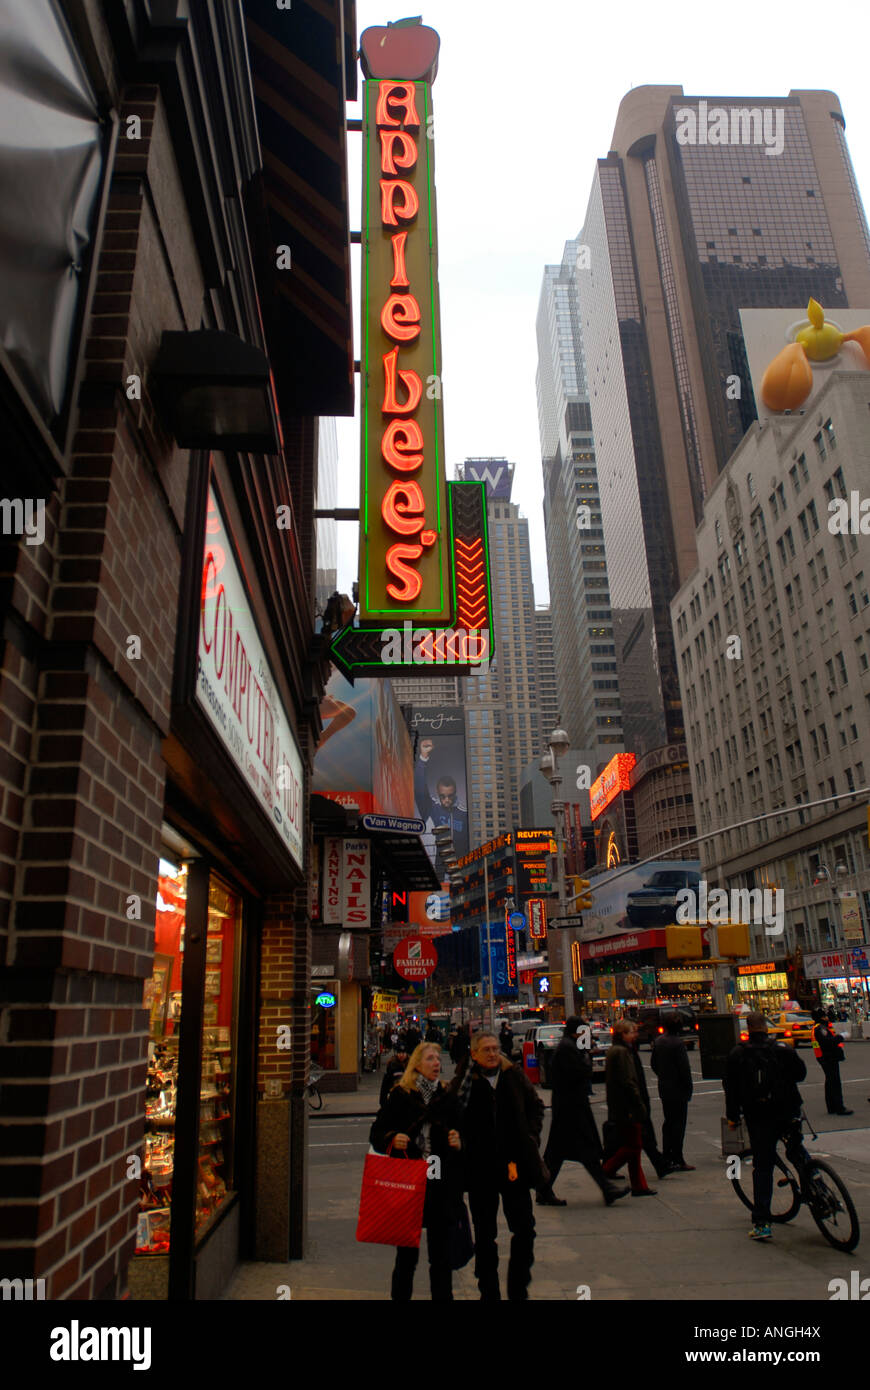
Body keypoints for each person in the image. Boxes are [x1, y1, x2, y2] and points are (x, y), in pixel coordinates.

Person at [451, 1031, 546, 1300]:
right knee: (484, 1236)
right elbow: (449, 1116)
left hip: (514, 1164)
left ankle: (518, 1288)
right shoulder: (464, 1083)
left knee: (525, 1229)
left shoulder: (513, 1075)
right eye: (486, 1049)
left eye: (495, 1048)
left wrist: (531, 1136)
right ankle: (488, 1292)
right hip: (480, 1168)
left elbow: (536, 1106)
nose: (493, 1053)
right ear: (474, 1054)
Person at [369, 1043, 462, 1300]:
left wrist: (458, 1139)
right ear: (417, 1065)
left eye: (437, 1059)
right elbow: (377, 1133)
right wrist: (392, 1138)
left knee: (442, 1257)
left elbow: (462, 1128)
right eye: (430, 1059)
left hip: (441, 1183)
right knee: (407, 1256)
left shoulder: (446, 1095)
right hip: (409, 1184)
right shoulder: (401, 1095)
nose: (436, 1063)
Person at [724, 1011, 807, 1241]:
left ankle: (762, 1222)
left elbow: (730, 1090)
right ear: (766, 1027)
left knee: (763, 1166)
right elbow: (801, 1074)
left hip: (758, 1116)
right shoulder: (782, 1049)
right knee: (797, 1151)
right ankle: (815, 1184)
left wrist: (732, 1117)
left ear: (748, 1029)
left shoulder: (738, 1054)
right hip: (787, 1110)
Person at [536, 1017, 630, 1208]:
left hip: (571, 1108)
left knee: (560, 1153)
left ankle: (544, 1191)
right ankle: (606, 1188)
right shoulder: (567, 1049)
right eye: (584, 1030)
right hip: (571, 1109)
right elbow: (582, 1073)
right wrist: (587, 1055)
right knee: (583, 1152)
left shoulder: (570, 1046)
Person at [601, 1019, 657, 1196]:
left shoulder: (616, 1050)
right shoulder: (622, 1052)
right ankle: (606, 1170)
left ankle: (638, 1185)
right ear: (622, 1034)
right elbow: (628, 1081)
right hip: (628, 1108)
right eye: (632, 1032)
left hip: (621, 1106)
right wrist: (638, 1104)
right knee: (633, 1146)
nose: (635, 1035)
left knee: (634, 1145)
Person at [651, 1013, 695, 1171]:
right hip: (678, 1089)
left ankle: (667, 1155)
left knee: (668, 1122)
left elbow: (654, 1064)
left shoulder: (659, 1042)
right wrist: (688, 1088)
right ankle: (677, 1157)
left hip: (665, 1087)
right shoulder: (677, 1044)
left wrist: (664, 1076)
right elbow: (684, 1069)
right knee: (678, 1124)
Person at [812, 1010, 852, 1115]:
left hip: (825, 1057)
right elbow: (828, 1042)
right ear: (821, 1017)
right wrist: (841, 1037)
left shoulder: (820, 1028)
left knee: (830, 1082)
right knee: (834, 1083)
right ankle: (839, 1107)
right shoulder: (820, 1029)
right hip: (828, 1058)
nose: (827, 1017)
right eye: (825, 1016)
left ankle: (832, 1107)